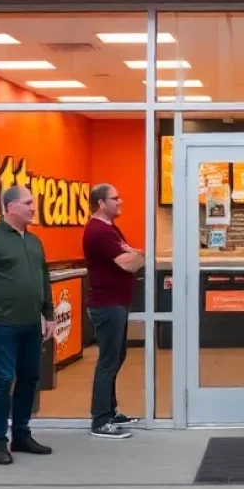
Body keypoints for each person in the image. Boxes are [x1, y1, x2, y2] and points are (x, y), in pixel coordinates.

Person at [0, 185, 55, 466]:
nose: (33, 207)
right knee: (2, 381)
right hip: (2, 325)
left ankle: (21, 434)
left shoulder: (34, 241)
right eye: (28, 203)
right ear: (11, 207)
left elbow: (43, 279)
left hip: (31, 324)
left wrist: (49, 314)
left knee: (29, 378)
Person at [82, 183, 146, 439]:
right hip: (107, 306)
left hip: (116, 304)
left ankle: (110, 411)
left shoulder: (111, 229)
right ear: (101, 203)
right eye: (115, 198)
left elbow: (131, 257)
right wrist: (140, 255)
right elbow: (128, 263)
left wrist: (135, 255)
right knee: (108, 362)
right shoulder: (99, 232)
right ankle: (100, 420)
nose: (120, 202)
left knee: (117, 358)